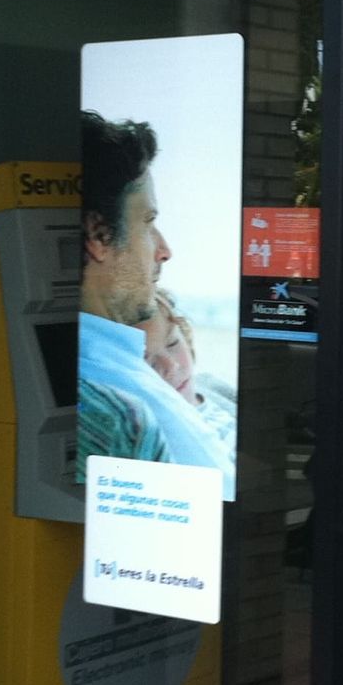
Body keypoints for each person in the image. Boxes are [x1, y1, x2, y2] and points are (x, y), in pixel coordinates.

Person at [78, 110, 235, 496]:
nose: (164, 250)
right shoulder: (118, 411)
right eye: (148, 223)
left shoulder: (115, 374)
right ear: (98, 234)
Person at [139, 289, 238, 459]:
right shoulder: (153, 437)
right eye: (149, 363)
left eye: (172, 343)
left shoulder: (212, 386)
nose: (172, 366)